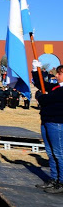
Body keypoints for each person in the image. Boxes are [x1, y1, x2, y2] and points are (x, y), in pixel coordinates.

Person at [32, 61, 63, 194]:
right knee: (50, 153)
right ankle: (54, 178)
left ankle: (61, 181)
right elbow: (42, 85)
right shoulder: (56, 87)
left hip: (56, 123)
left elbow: (46, 99)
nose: (57, 76)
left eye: (60, 74)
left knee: (59, 153)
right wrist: (36, 70)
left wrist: (40, 97)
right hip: (47, 121)